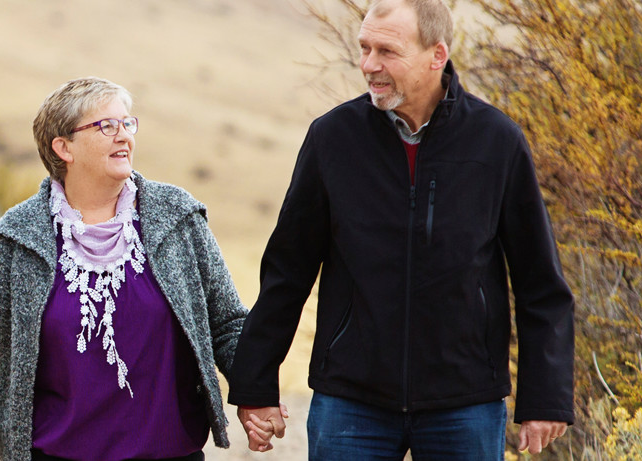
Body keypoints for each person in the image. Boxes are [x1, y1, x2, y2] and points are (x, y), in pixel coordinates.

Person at [224, 0, 576, 459]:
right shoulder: (333, 138)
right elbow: (287, 271)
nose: (369, 65)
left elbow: (540, 282)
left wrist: (545, 398)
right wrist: (256, 385)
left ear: (437, 55)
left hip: (465, 401)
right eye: (365, 48)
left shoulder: (497, 142)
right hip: (350, 400)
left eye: (387, 51)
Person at [0, 76, 248, 461]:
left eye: (127, 123)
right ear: (63, 147)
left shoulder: (177, 218)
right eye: (106, 126)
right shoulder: (17, 240)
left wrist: (256, 394)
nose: (124, 136)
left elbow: (228, 324)